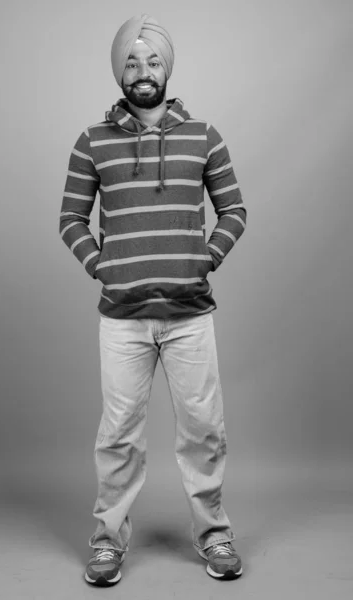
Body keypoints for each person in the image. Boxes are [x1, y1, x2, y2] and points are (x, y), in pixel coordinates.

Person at [59, 13, 247, 588]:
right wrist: (104, 267)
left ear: (168, 68)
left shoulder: (205, 136)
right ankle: (108, 542)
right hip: (122, 318)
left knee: (204, 430)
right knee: (118, 435)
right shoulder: (92, 142)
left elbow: (234, 210)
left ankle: (214, 534)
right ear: (121, 71)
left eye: (153, 60)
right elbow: (71, 218)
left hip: (191, 314)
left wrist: (204, 257)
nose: (143, 72)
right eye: (133, 62)